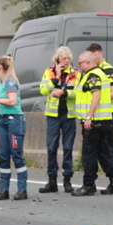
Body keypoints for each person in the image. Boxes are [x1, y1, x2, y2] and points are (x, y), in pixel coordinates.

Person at [72, 50, 113, 196]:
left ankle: (89, 185)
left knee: (89, 154)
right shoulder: (99, 74)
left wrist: (88, 117)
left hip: (95, 121)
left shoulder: (93, 75)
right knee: (104, 153)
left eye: (80, 63)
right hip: (104, 120)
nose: (79, 66)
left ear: (87, 63)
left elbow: (96, 96)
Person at [0, 55, 27, 201]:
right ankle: (4, 189)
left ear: (0, 67)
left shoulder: (10, 82)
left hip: (14, 120)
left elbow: (12, 101)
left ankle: (22, 189)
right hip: (2, 120)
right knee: (3, 156)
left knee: (16, 154)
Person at [38, 46, 79, 194]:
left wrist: (65, 92)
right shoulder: (49, 72)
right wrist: (55, 78)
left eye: (68, 58)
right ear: (57, 60)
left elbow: (79, 92)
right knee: (51, 148)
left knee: (68, 148)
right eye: (64, 58)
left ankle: (67, 180)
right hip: (53, 117)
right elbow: (43, 90)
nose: (67, 61)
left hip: (68, 116)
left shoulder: (76, 74)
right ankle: (52, 181)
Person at [85, 42, 113, 195]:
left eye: (95, 55)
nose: (94, 57)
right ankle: (112, 181)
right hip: (94, 115)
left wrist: (97, 95)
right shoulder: (91, 71)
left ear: (100, 53)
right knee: (99, 150)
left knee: (108, 149)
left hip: (107, 114)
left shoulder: (108, 70)